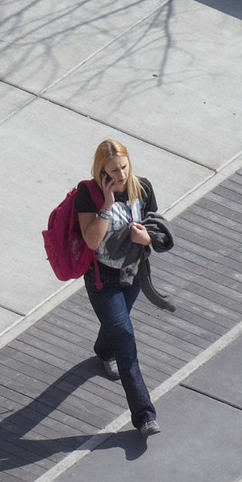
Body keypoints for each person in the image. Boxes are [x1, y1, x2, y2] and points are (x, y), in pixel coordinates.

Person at [76, 136, 160, 438]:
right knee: (125, 336)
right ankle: (144, 415)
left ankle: (103, 349)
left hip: (133, 272)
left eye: (124, 167)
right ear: (102, 171)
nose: (121, 175)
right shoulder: (88, 195)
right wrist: (107, 206)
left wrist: (146, 239)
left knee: (117, 327)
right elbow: (91, 241)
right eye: (113, 171)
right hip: (102, 279)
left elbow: (156, 231)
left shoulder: (144, 187)